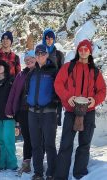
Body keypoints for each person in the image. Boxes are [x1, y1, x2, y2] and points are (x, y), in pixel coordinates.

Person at [54, 39, 106, 180]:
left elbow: (102, 90)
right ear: (78, 50)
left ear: (90, 51)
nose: (83, 51)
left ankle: (80, 174)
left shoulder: (95, 71)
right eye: (81, 49)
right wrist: (68, 97)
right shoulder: (68, 67)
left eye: (86, 49)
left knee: (84, 145)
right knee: (66, 144)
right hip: (71, 111)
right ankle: (60, 176)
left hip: (88, 112)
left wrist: (94, 100)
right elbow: (58, 83)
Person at [26, 44, 58, 180]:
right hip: (33, 112)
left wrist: (54, 102)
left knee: (49, 144)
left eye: (42, 54)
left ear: (47, 54)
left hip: (49, 112)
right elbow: (26, 90)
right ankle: (38, 172)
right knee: (36, 145)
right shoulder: (32, 72)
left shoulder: (53, 71)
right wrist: (27, 100)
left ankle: (51, 172)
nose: (40, 56)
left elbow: (58, 90)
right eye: (37, 54)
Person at [5, 50, 36, 175]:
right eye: (26, 60)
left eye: (31, 59)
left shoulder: (41, 72)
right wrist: (10, 109)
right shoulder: (21, 75)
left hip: (37, 111)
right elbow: (13, 92)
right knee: (27, 138)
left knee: (39, 137)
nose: (29, 61)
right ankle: (26, 163)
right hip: (23, 110)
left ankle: (39, 162)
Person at [42, 28, 64, 125]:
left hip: (54, 90)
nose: (49, 40)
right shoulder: (40, 52)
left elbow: (63, 74)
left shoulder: (59, 55)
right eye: (47, 38)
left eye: (51, 38)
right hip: (42, 89)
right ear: (44, 39)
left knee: (52, 121)